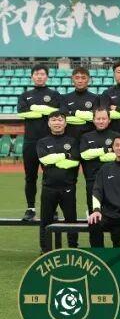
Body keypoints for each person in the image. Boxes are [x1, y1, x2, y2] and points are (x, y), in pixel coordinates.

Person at [17, 62, 64, 221]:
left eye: (42, 74)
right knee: (30, 177)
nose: (39, 76)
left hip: (50, 142)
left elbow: (58, 113)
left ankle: (52, 209)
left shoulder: (54, 94)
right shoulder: (25, 95)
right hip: (30, 142)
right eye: (36, 74)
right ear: (32, 76)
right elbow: (23, 113)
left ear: (47, 76)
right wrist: (45, 110)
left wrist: (34, 108)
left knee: (51, 177)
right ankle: (30, 209)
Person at [36, 112, 80, 252]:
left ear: (65, 123)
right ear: (49, 123)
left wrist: (54, 161)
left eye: (60, 120)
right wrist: (65, 155)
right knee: (46, 220)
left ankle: (73, 248)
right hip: (48, 188)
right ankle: (45, 250)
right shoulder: (42, 142)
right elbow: (44, 160)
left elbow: (74, 162)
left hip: (68, 187)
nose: (57, 123)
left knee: (71, 220)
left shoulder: (73, 141)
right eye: (54, 120)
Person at [78, 107, 119, 214]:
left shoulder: (116, 136)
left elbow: (119, 155)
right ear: (93, 120)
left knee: (113, 212)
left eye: (104, 119)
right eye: (98, 118)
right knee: (94, 213)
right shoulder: (86, 137)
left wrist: (97, 156)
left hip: (113, 180)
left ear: (109, 120)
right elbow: (84, 155)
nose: (101, 121)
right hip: (92, 180)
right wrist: (106, 150)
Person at [60, 66, 99, 138]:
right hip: (69, 138)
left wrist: (72, 113)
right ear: (72, 79)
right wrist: (85, 117)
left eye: (83, 78)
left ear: (88, 79)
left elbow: (95, 117)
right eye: (77, 78)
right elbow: (63, 116)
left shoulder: (96, 98)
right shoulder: (65, 98)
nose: (80, 81)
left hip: (90, 138)